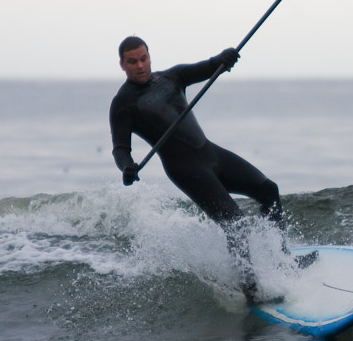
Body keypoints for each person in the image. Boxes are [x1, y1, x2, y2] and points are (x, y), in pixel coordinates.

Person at [109, 35, 296, 305]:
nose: (140, 65)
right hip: (185, 169)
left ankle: (283, 261)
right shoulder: (123, 103)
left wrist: (225, 58)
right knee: (235, 224)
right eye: (132, 62)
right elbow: (120, 149)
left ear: (149, 56)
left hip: (210, 153)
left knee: (269, 190)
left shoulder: (173, 77)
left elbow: (210, 66)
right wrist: (127, 167)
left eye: (143, 58)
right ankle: (252, 293)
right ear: (122, 64)